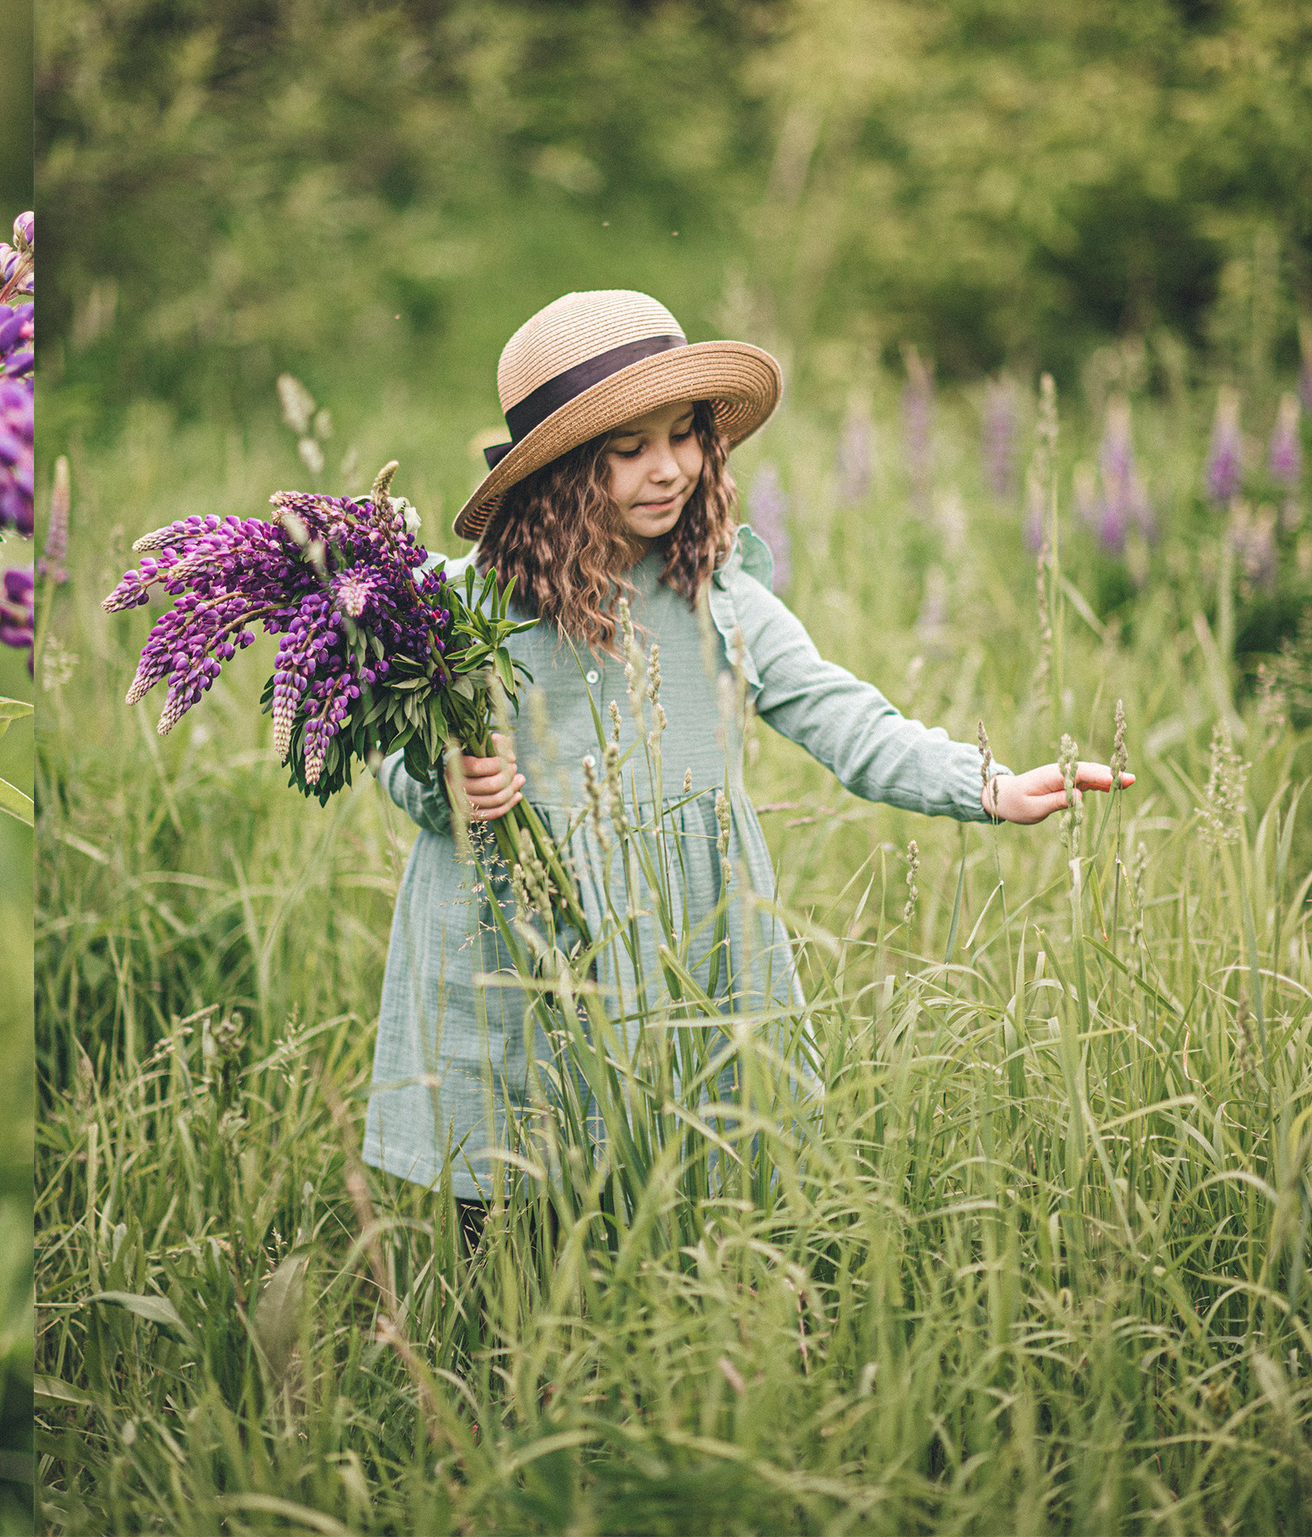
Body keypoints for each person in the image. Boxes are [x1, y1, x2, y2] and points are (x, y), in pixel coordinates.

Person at [364, 289, 1127, 1228]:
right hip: (511, 940)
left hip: (682, 935)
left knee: (677, 1180)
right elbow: (397, 750)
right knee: (517, 1183)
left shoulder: (715, 592)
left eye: (684, 435)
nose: (669, 468)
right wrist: (446, 781)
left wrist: (987, 784)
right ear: (559, 474)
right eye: (629, 449)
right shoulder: (464, 606)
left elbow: (841, 713)